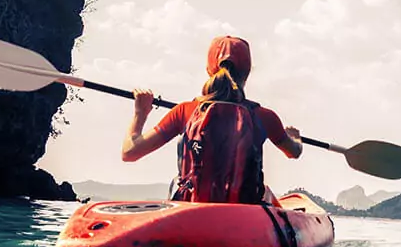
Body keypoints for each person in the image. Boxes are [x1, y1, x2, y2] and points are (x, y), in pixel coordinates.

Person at [120, 36, 303, 204]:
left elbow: (130, 152)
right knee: (267, 194)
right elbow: (293, 152)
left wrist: (140, 113)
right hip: (244, 214)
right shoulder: (264, 116)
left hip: (192, 209)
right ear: (247, 73)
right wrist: (294, 138)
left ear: (209, 70)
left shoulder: (185, 111)